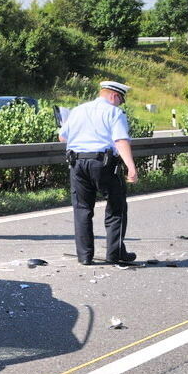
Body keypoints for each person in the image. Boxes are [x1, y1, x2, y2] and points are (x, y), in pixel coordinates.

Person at [59, 81, 139, 265]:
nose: (120, 104)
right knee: (116, 207)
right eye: (121, 100)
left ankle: (85, 256)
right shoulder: (114, 112)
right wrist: (131, 167)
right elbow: (120, 140)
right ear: (113, 96)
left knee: (82, 209)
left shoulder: (78, 110)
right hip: (103, 163)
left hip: (77, 163)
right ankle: (115, 253)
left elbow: (62, 137)